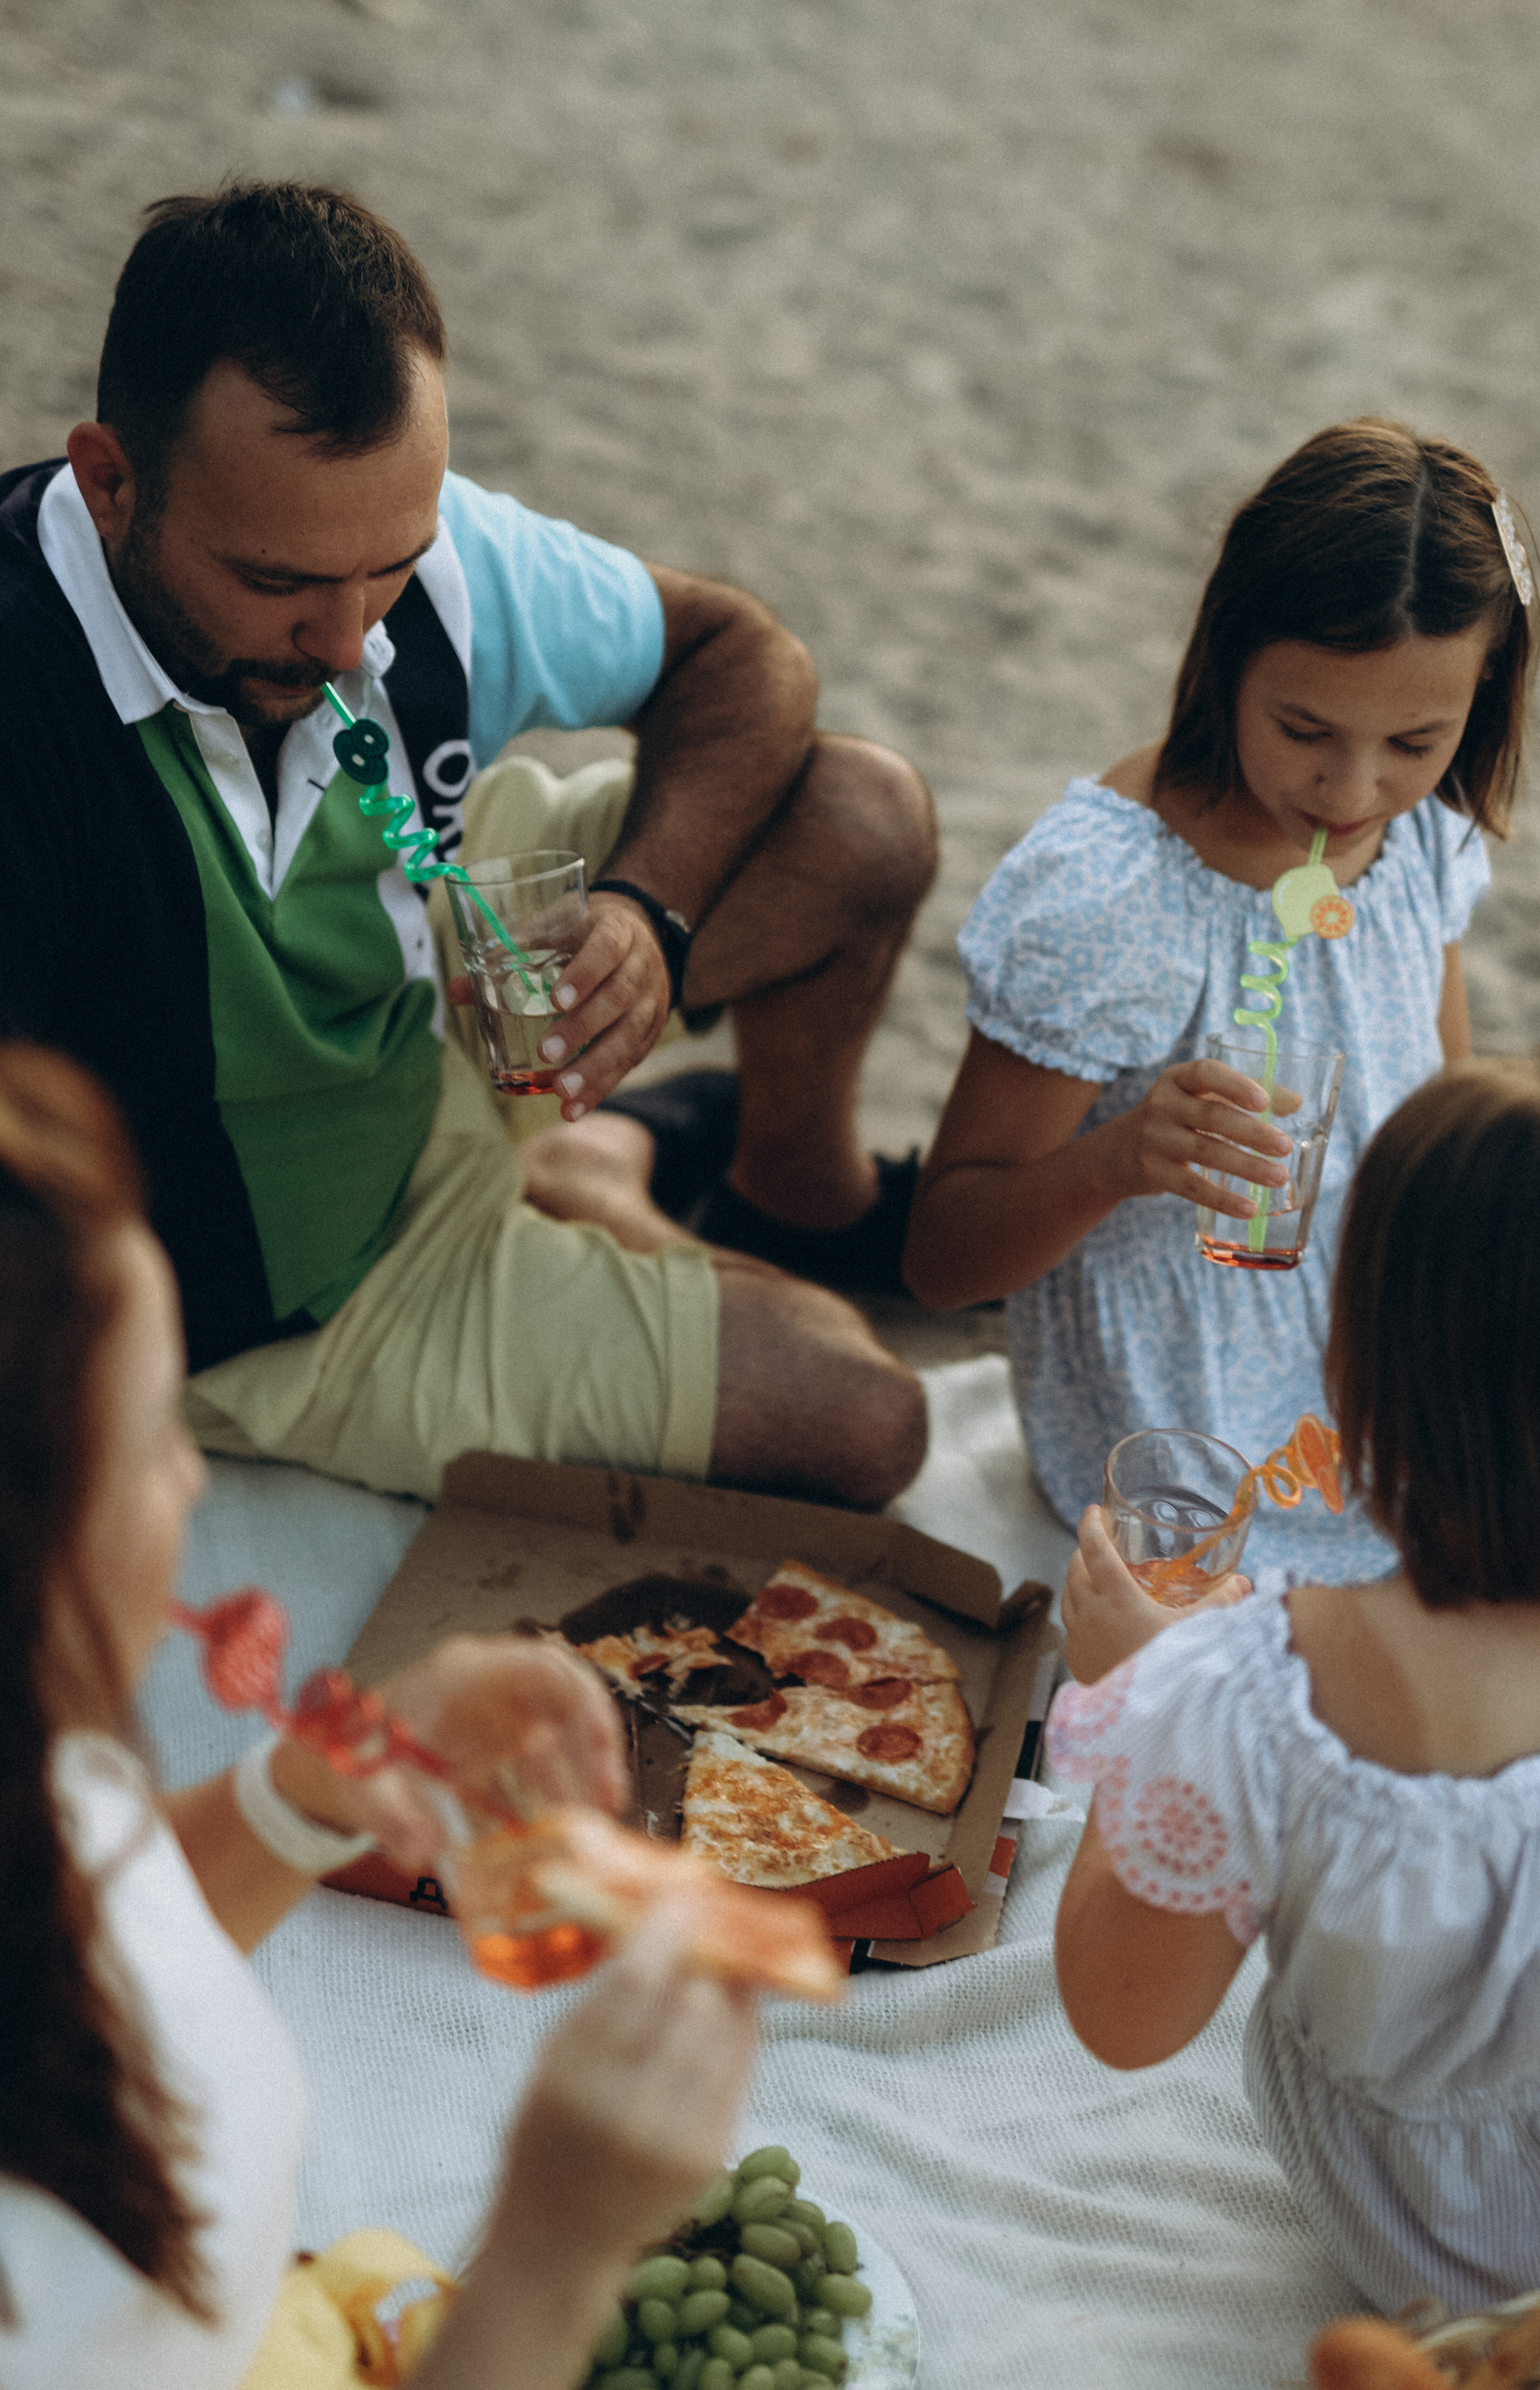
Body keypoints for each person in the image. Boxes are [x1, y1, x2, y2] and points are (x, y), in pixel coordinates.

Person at [0, 1041, 969, 2390]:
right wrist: (545, 2262)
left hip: (289, 2367)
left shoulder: (33, 1751)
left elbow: (71, 1947)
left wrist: (300, 1801)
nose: (195, 1485)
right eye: (154, 1446)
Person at [0, 182, 931, 1514]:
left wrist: (642, 919)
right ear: (109, 481)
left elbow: (742, 656)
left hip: (439, 992)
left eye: (389, 564)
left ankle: (770, 1192)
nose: (347, 641)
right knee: (867, 1421)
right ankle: (593, 1166)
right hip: (286, 1298)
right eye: (277, 584)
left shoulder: (386, 561)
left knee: (857, 815)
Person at [1046, 1056, 1540, 2315]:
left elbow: (1119, 2019)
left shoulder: (1267, 1699)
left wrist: (1144, 1703)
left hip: (1438, 2261)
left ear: (1365, 1366)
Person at [902, 420, 1540, 1579]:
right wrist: (1119, 1161)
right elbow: (943, 1261)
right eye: (1304, 731)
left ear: (1481, 698)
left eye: (1414, 739)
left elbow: (1441, 1130)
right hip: (1185, 1425)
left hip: (1378, 1360)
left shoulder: (1424, 837)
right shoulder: (1111, 893)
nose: (1352, 791)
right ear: (1225, 655)